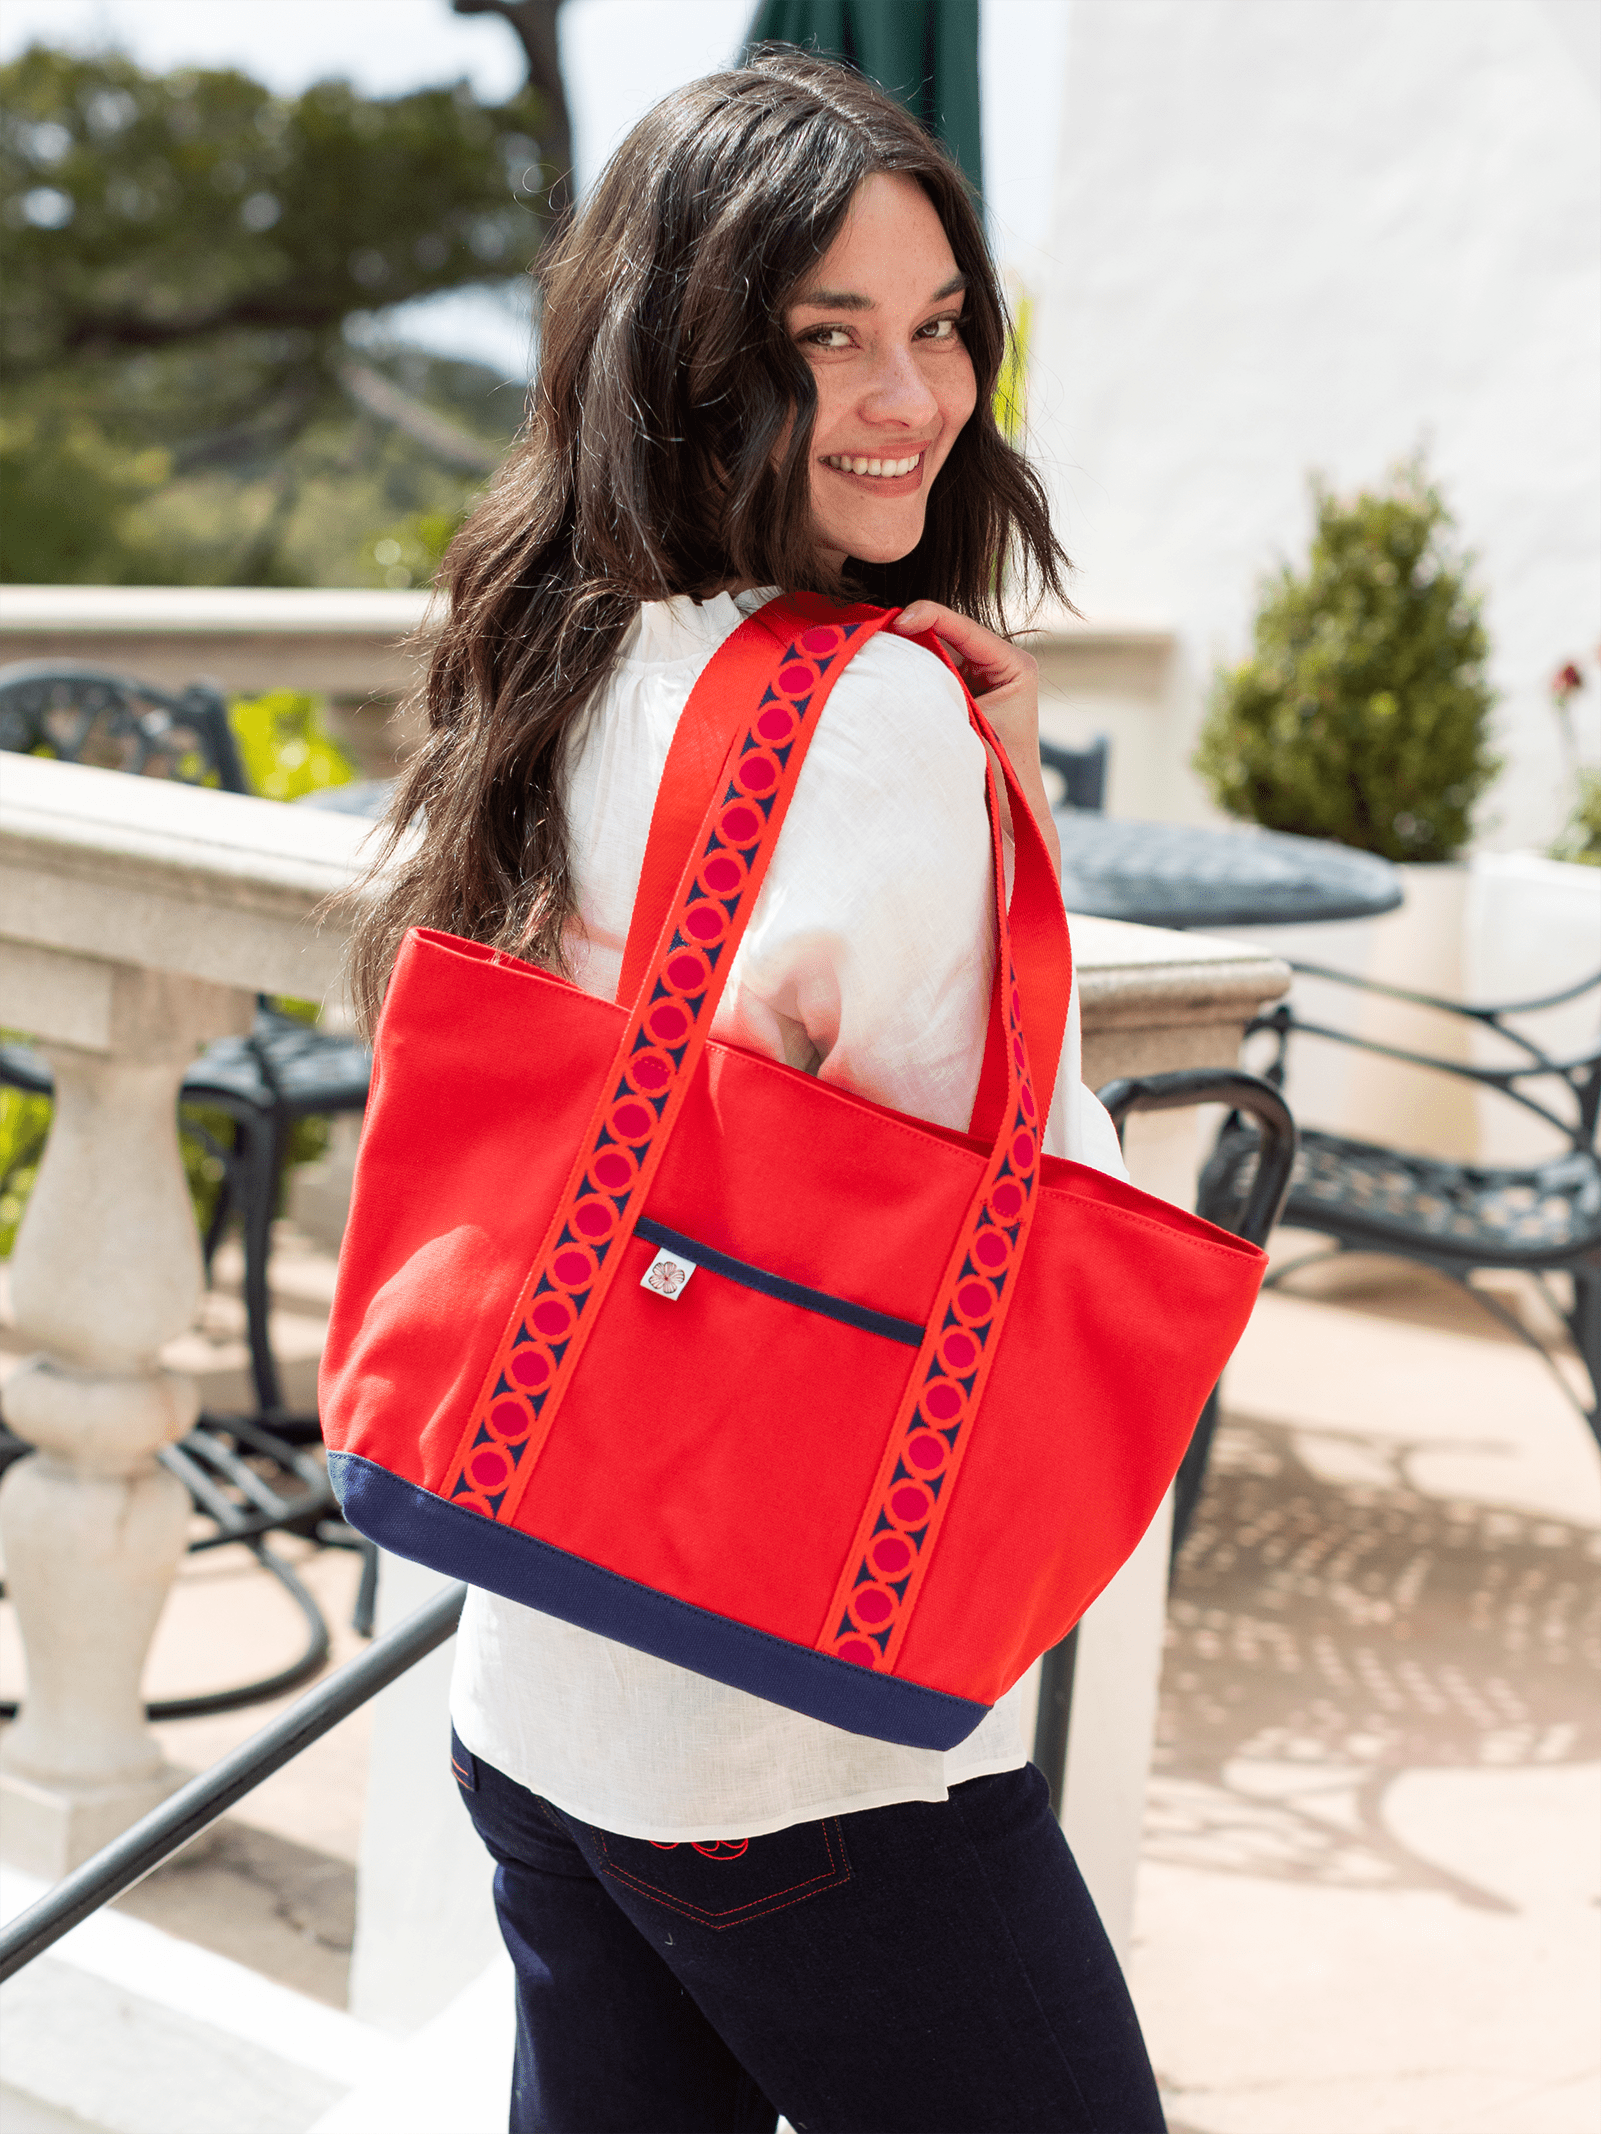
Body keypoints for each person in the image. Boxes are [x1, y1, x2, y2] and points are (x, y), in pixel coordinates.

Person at [350, 47, 1166, 2134]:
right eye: (832, 342)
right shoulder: (880, 724)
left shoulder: (564, 640)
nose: (911, 396)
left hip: (537, 1695)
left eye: (937, 327)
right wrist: (986, 793)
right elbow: (994, 1196)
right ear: (705, 360)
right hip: (799, 1753)